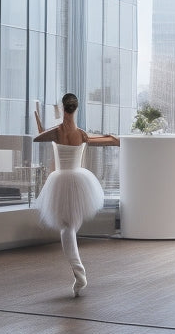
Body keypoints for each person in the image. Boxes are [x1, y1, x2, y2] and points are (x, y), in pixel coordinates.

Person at [33, 93, 119, 296]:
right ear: (76, 108)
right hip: (79, 182)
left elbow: (38, 138)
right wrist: (112, 137)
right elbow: (111, 141)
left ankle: (79, 273)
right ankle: (78, 274)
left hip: (61, 181)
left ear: (63, 108)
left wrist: (39, 123)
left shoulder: (56, 132)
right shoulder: (82, 134)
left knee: (67, 228)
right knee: (70, 226)